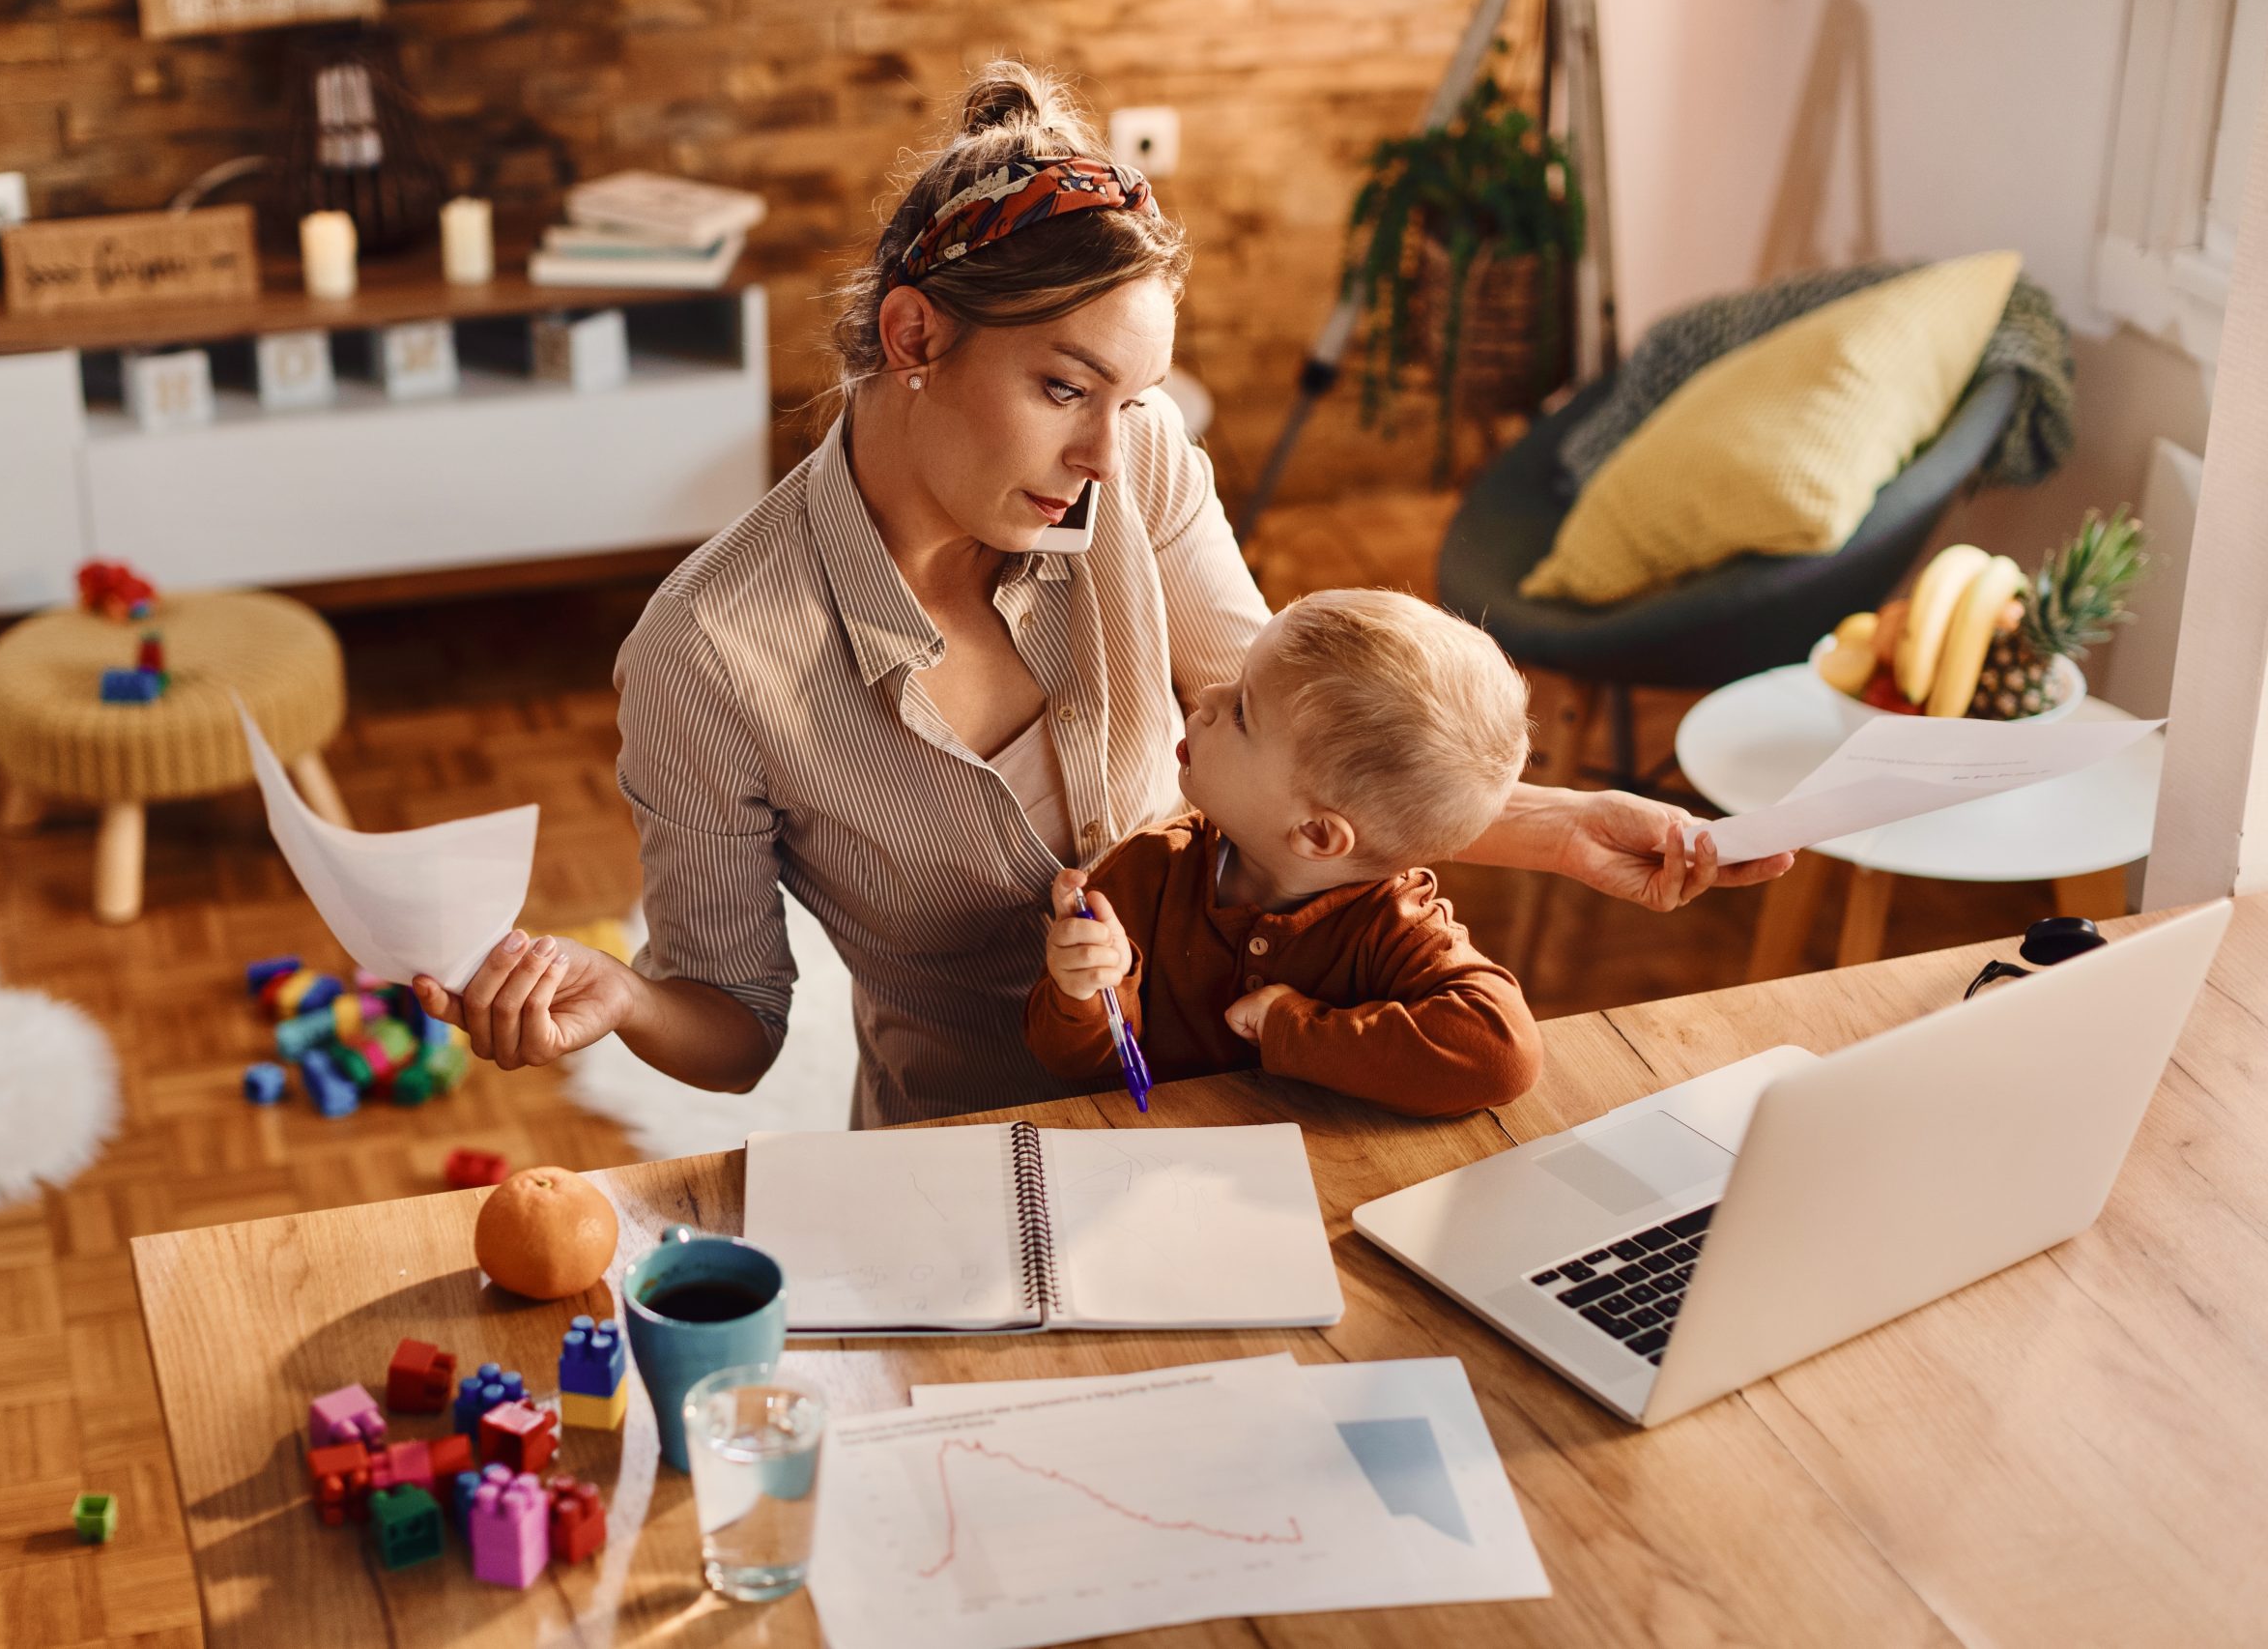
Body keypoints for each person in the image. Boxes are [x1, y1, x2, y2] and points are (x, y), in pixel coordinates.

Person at [413, 61, 1793, 1127]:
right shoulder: (710, 654)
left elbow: (1297, 730)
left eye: (1128, 399)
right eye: (1066, 388)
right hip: (969, 1150)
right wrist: (629, 1000)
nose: (1103, 452)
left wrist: (1552, 830)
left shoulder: (1134, 460)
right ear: (915, 336)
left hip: (1235, 1108)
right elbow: (741, 1025)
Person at [1026, 588, 1541, 1115]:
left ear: (1317, 834)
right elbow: (1067, 1059)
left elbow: (1505, 1054)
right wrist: (1084, 992)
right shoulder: (1148, 871)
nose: (1206, 697)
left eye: (1242, 713)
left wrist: (1294, 1028)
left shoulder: (1398, 925)